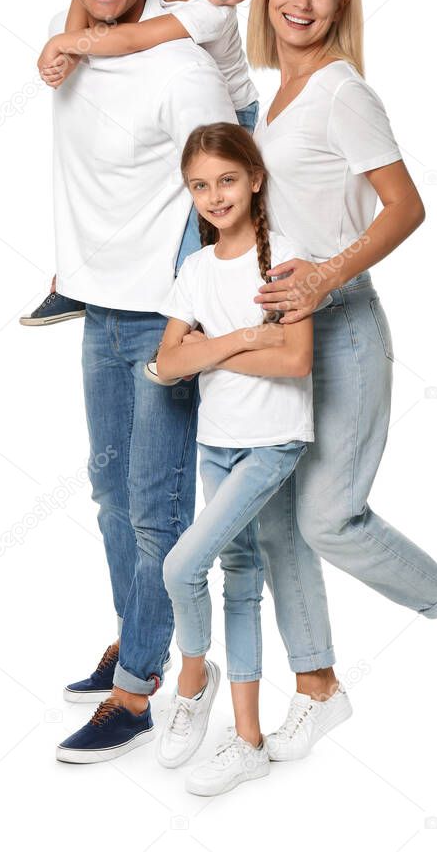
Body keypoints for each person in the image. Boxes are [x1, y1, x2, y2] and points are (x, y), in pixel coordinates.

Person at [208, 0, 437, 761]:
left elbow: (406, 205)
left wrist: (323, 277)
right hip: (283, 336)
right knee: (276, 521)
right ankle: (318, 688)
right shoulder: (276, 96)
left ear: (341, 5)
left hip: (343, 329)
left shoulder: (343, 91)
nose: (299, 3)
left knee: (328, 517)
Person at [50, 0, 238, 764]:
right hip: (99, 307)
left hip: (161, 317)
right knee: (108, 496)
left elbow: (231, 193)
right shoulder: (80, 37)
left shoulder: (184, 65)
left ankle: (137, 688)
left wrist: (199, 315)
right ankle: (136, 636)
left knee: (156, 512)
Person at [21, 0, 279, 327]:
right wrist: (72, 48)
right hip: (184, 102)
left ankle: (191, 318)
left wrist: (68, 45)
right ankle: (81, 282)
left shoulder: (211, 14)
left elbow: (133, 40)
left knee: (196, 230)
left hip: (236, 116)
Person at [154, 122, 314, 796]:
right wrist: (247, 336)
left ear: (254, 178)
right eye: (199, 186)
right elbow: (167, 362)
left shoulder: (287, 260)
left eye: (225, 179)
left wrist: (211, 346)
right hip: (215, 439)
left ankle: (194, 676)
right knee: (239, 574)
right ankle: (246, 739)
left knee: (181, 565)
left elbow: (295, 358)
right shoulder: (194, 270)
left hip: (273, 440)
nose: (213, 195)